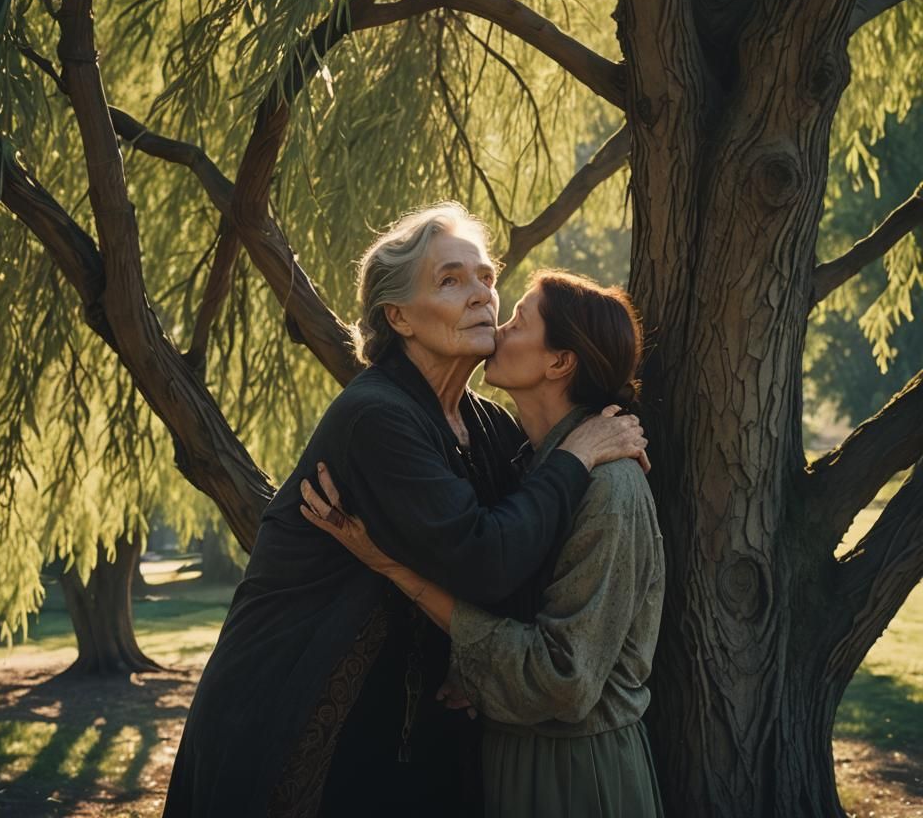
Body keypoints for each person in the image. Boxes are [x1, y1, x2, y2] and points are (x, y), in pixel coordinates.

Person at [162, 204, 648, 818]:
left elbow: (532, 554)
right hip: (299, 708)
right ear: (398, 317)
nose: (482, 296)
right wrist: (576, 456)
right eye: (451, 281)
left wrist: (602, 435)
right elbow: (486, 561)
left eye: (487, 278)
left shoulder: (485, 423)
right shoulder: (376, 418)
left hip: (408, 729)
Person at [302, 269, 665, 817]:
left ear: (558, 362)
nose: (498, 326)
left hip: (574, 775)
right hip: (513, 757)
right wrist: (477, 670)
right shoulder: (526, 461)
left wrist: (394, 567)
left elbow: (563, 681)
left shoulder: (610, 487)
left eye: (518, 321)